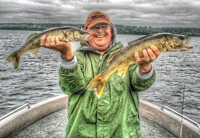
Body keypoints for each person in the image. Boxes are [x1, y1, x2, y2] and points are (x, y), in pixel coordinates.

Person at [40, 11, 160, 138]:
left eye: (104, 26)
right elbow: (70, 88)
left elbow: (139, 85)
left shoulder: (127, 54)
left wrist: (145, 67)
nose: (100, 30)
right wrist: (66, 55)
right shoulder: (77, 58)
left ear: (112, 30)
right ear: (85, 31)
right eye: (94, 27)